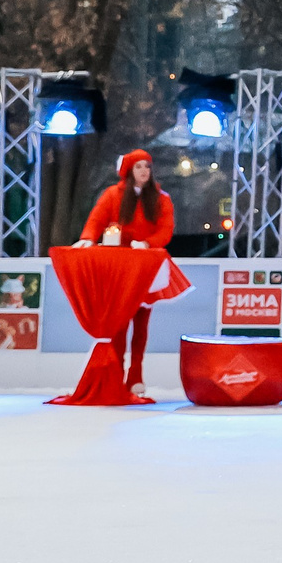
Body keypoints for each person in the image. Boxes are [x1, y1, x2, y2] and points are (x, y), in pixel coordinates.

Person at [76, 149, 192, 397]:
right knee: (118, 321)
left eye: (147, 167)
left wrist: (148, 243)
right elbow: (96, 219)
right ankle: (116, 371)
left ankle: (136, 373)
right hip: (119, 265)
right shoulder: (112, 195)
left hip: (146, 264)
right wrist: (87, 238)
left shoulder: (162, 198)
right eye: (139, 167)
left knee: (141, 321)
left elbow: (166, 230)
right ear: (129, 171)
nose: (144, 171)